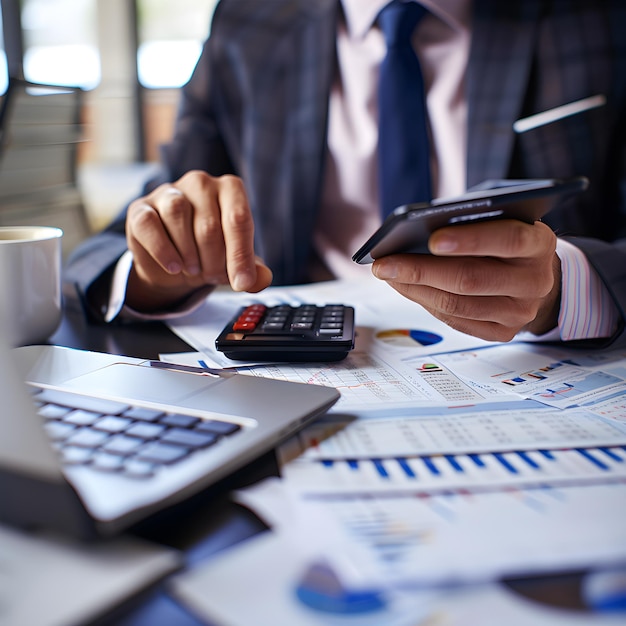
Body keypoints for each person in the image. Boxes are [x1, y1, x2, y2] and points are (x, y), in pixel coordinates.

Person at [65, 0, 626, 348]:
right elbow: (110, 249)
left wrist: (561, 290)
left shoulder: (597, 17)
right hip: (308, 365)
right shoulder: (248, 22)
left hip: (531, 364)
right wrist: (161, 265)